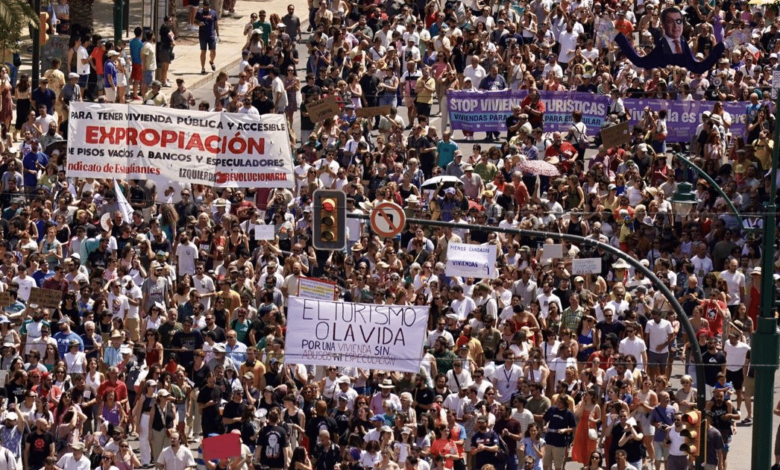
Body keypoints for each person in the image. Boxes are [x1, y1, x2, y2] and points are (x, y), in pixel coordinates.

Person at [196, 0, 219, 74]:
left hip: (211, 34)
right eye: (204, 7)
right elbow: (194, 21)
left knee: (213, 50)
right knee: (203, 51)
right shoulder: (199, 12)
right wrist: (199, 24)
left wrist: (218, 34)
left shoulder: (213, 12)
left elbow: (216, 24)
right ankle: (203, 68)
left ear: (209, 6)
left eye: (207, 7)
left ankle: (211, 61)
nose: (205, 9)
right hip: (202, 35)